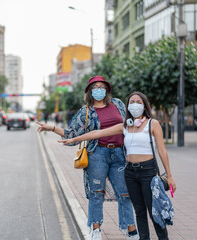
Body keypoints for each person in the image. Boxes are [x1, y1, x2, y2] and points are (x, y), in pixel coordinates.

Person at [59, 91, 177, 240]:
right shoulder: (124, 126)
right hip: (130, 173)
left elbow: (162, 150)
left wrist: (170, 176)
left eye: (138, 102)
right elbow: (97, 133)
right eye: (132, 102)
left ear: (145, 106)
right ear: (127, 107)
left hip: (148, 171)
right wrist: (73, 139)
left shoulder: (152, 124)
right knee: (139, 212)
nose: (135, 105)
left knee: (154, 210)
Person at [36, 76, 139, 240]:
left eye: (102, 86)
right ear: (90, 92)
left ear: (107, 89)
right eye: (95, 87)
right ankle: (96, 230)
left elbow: (130, 124)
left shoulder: (118, 104)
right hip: (97, 154)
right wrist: (52, 127)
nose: (99, 90)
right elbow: (71, 133)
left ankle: (131, 230)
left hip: (119, 154)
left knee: (125, 193)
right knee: (96, 193)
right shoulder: (85, 112)